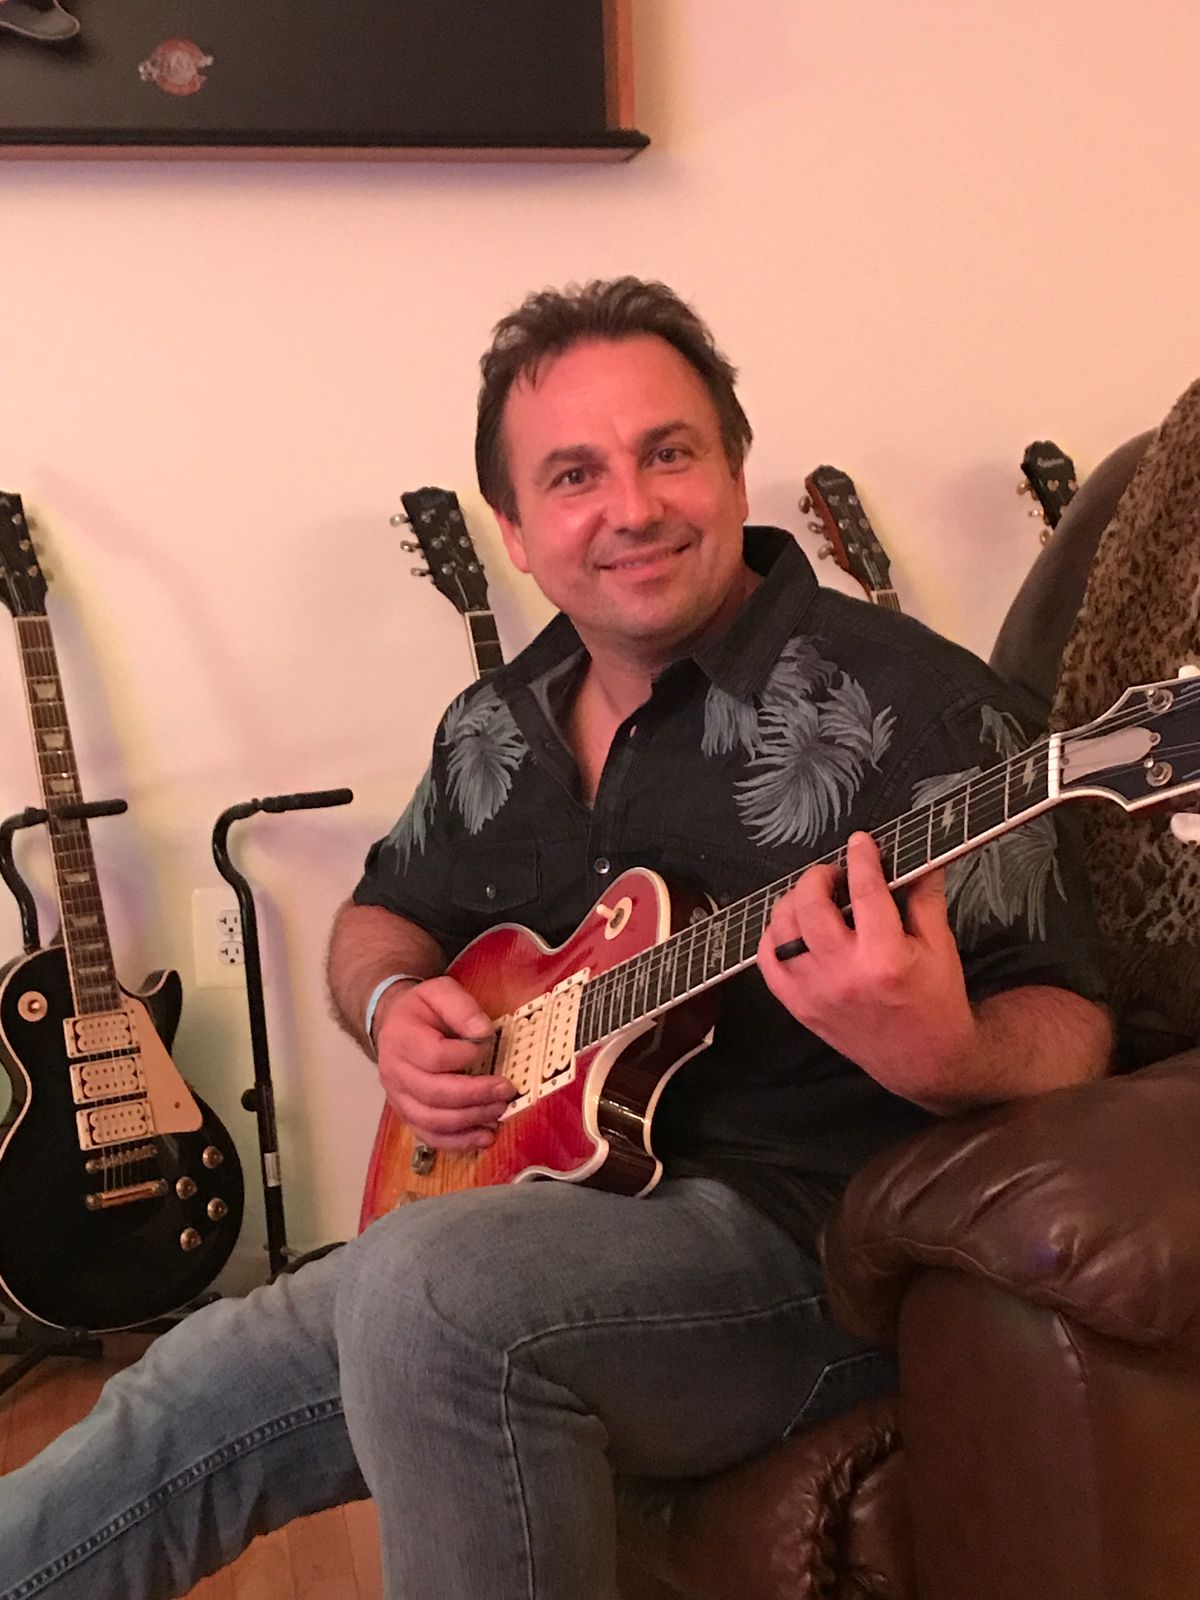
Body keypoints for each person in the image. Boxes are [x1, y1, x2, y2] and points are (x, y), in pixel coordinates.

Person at [0, 277, 1112, 1600]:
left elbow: (1074, 1022)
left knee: (425, 1286)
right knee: (187, 1390)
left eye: (669, 453)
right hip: (537, 1215)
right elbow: (381, 917)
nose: (631, 507)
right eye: (575, 475)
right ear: (519, 534)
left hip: (810, 1253)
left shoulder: (920, 712)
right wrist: (391, 1005)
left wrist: (949, 1053)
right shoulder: (497, 723)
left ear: (733, 469)